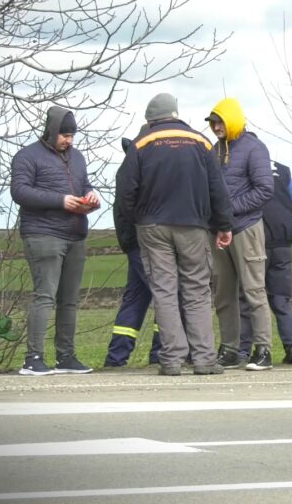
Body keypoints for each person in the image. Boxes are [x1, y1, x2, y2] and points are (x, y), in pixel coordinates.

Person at [116, 93, 233, 376]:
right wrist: (224, 225)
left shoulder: (141, 144)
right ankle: (204, 359)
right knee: (197, 291)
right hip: (193, 225)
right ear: (175, 114)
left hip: (152, 227)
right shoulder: (201, 142)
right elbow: (217, 187)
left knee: (164, 292)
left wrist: (136, 221)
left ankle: (171, 360)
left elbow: (125, 191)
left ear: (150, 119)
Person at [10, 106, 100, 376]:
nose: (68, 140)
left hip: (75, 235)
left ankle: (66, 357)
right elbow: (20, 191)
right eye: (64, 134)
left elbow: (82, 185)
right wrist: (60, 201)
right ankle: (33, 358)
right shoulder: (27, 156)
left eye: (72, 135)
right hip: (43, 234)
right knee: (44, 296)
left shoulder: (78, 157)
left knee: (69, 300)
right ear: (51, 131)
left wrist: (91, 195)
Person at [205, 97, 276, 371]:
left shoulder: (254, 148)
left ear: (232, 119)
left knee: (254, 290)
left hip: (246, 229)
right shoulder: (214, 151)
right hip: (219, 232)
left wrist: (228, 210)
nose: (215, 126)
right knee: (223, 293)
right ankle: (231, 349)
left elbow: (264, 189)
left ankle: (263, 349)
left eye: (219, 121)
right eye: (212, 122)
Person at [104, 136, 162, 368]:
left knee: (135, 300)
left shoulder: (131, 164)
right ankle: (160, 354)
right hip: (146, 244)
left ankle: (116, 358)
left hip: (134, 244)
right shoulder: (144, 167)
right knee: (167, 293)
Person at [238, 160, 292, 365]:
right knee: (281, 298)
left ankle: (243, 349)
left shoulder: (243, 168)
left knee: (249, 296)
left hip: (257, 240)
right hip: (284, 242)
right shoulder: (283, 170)